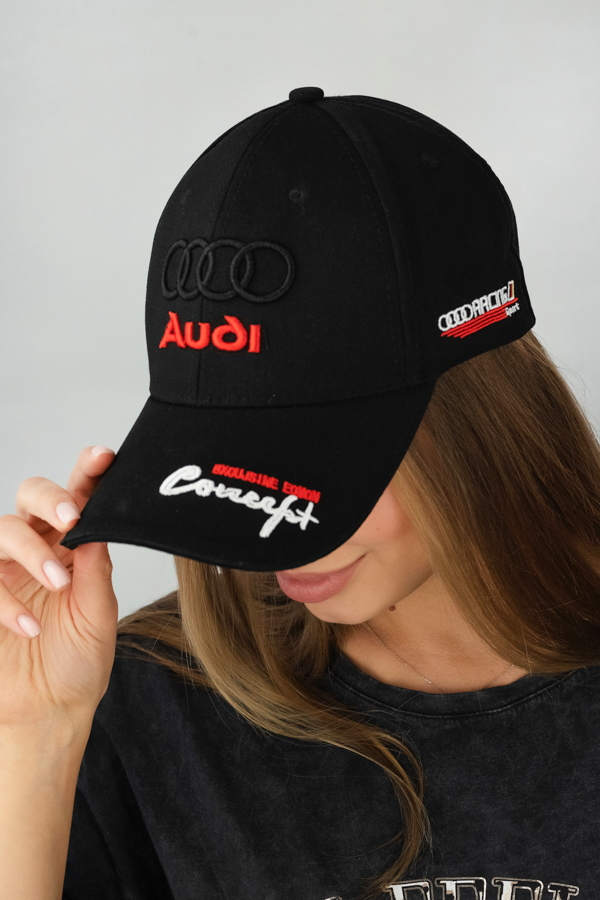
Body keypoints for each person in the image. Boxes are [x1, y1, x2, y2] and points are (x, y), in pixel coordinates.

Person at [1, 88, 599, 900]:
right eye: (226, 461)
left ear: (479, 415)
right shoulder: (135, 696)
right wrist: (32, 733)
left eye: (316, 457)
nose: (275, 527)